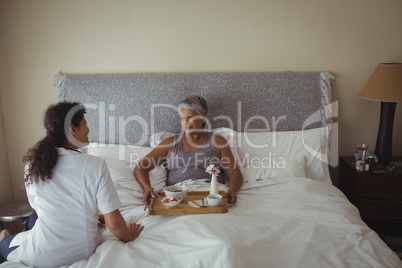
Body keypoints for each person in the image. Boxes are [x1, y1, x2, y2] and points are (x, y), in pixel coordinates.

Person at [0, 102, 144, 267]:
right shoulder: (95, 165)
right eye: (85, 124)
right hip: (82, 251)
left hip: (43, 254)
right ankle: (19, 238)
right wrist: (129, 236)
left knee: (7, 242)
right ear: (72, 130)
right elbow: (115, 225)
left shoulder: (33, 166)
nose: (89, 129)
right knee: (33, 220)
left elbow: (42, 209)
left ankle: (12, 240)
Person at [134, 95, 242, 205]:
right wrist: (147, 188)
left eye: (190, 117)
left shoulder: (217, 141)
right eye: (182, 118)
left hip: (211, 195)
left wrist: (233, 189)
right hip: (179, 197)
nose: (185, 122)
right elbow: (141, 167)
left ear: (203, 117)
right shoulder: (170, 143)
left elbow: (234, 172)